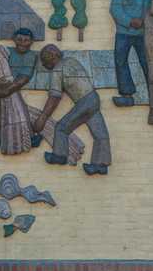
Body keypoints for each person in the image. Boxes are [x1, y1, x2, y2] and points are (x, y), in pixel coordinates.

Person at [34, 44, 112, 175]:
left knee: (61, 127)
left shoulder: (57, 70)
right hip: (94, 98)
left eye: (44, 61)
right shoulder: (71, 61)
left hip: (84, 101)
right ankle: (100, 164)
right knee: (100, 133)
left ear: (51, 57)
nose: (44, 65)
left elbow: (54, 97)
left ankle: (59, 155)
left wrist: (42, 118)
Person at [0, 28, 41, 154]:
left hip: (13, 84)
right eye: (19, 40)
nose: (22, 43)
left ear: (31, 42)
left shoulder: (31, 56)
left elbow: (24, 77)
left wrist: (9, 89)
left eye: (26, 40)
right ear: (14, 40)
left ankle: (28, 136)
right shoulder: (4, 52)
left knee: (18, 108)